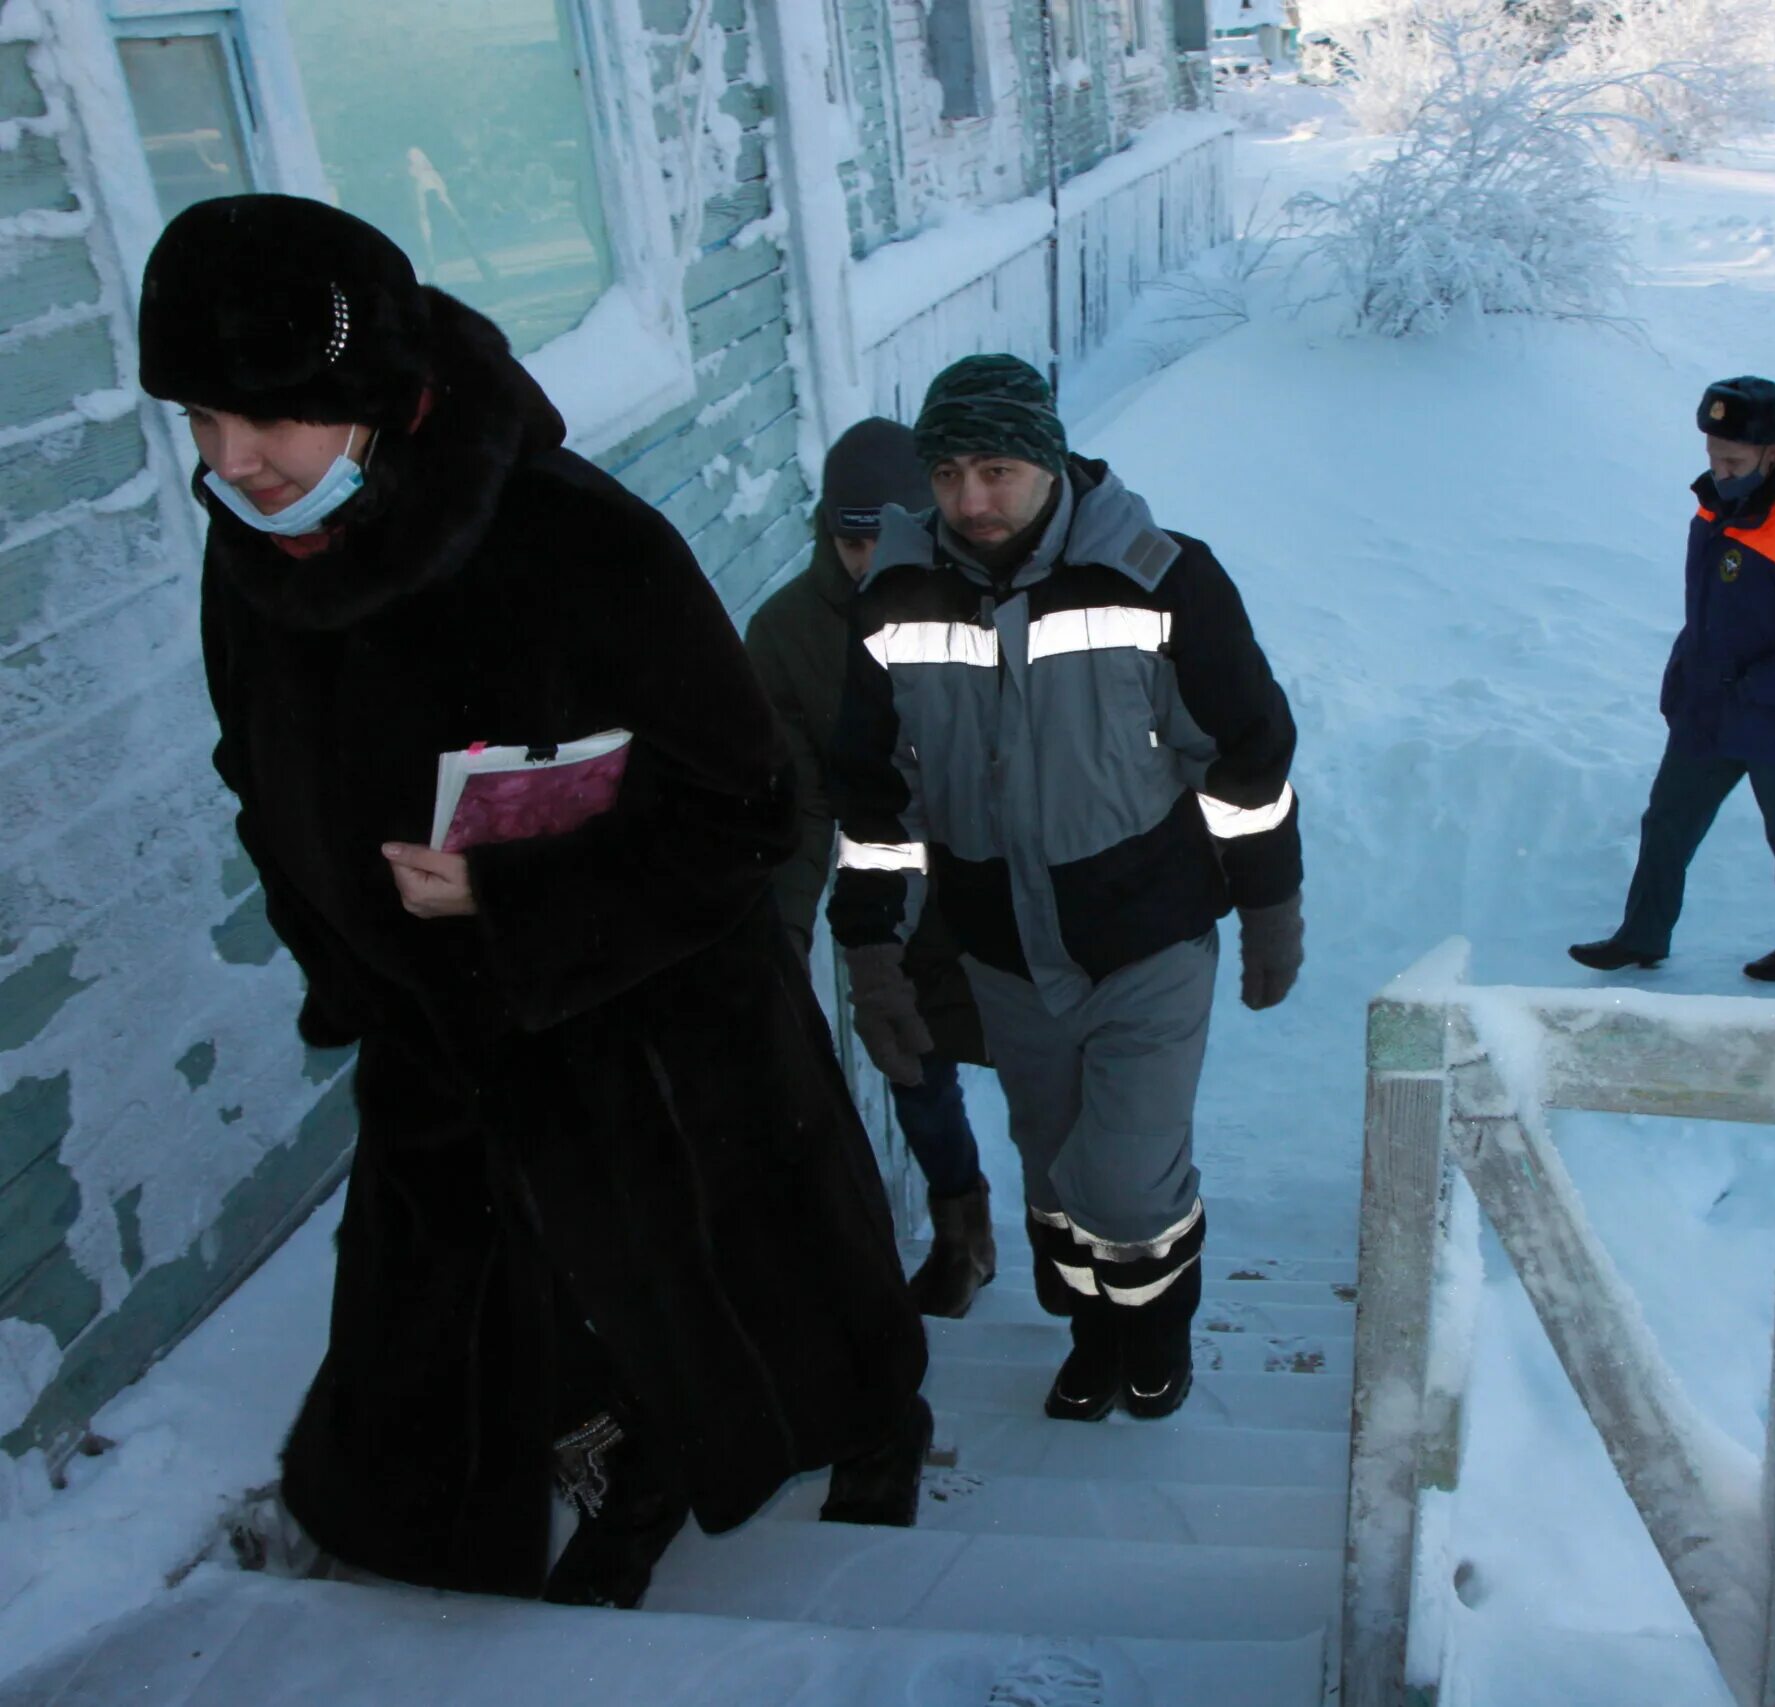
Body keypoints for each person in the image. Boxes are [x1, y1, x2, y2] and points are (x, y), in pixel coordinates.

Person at [140, 195, 929, 1611]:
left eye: (271, 421)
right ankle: (607, 1481)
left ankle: (851, 1434)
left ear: (374, 399)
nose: (233, 461)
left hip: (651, 1024)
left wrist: (508, 896)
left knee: (745, 1295)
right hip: (436, 1038)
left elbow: (745, 805)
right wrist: (348, 954)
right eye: (202, 419)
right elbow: (255, 765)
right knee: (472, 1327)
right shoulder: (254, 550)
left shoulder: (573, 541)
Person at [824, 355, 1304, 1424]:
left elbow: (1247, 758)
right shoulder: (893, 603)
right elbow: (872, 809)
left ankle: (1156, 1327)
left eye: (996, 469)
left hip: (1149, 937)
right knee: (1052, 1178)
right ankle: (1092, 1334)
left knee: (1126, 1185)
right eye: (948, 475)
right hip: (1001, 951)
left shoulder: (1160, 576)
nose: (971, 501)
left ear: (1045, 461)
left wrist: (1271, 908)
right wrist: (871, 956)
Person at [744, 419, 998, 1318]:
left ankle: (1082, 1238)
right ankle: (963, 1232)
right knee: (916, 1077)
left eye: (882, 539)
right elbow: (799, 797)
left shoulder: (986, 597)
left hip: (1001, 886)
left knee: (1052, 1070)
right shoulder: (784, 634)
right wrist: (786, 923)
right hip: (887, 900)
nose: (865, 562)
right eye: (850, 540)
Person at [1571, 376, 1775, 981]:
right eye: (1712, 454)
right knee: (1667, 823)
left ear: (1774, 453)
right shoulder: (1723, 500)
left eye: (1733, 458)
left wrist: (1758, 688)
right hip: (1709, 706)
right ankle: (1642, 935)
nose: (1719, 467)